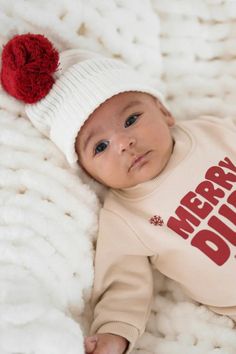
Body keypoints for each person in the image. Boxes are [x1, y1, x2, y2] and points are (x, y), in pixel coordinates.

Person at [1, 34, 236, 354]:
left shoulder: (211, 132)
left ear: (164, 112)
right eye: (100, 146)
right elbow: (124, 287)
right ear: (88, 172)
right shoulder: (124, 218)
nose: (124, 143)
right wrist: (114, 335)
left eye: (131, 119)